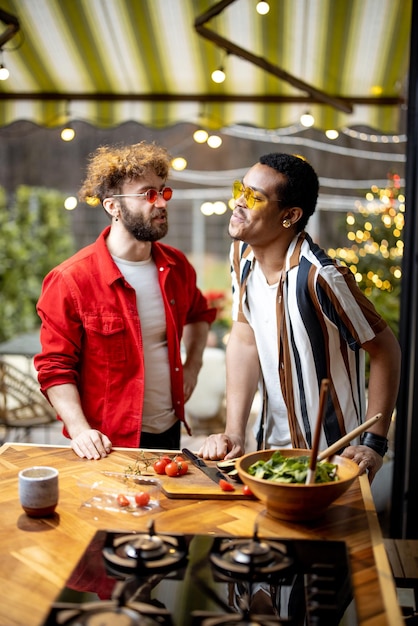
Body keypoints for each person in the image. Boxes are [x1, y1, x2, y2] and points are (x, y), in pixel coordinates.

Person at [199, 153, 401, 483]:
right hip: (269, 453)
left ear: (290, 215)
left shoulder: (322, 277)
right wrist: (234, 433)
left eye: (254, 197)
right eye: (241, 189)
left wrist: (374, 444)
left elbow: (386, 350)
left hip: (335, 463)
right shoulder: (241, 254)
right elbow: (244, 336)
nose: (238, 202)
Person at [34, 141, 216, 460]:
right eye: (148, 194)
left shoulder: (177, 266)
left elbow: (200, 314)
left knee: (164, 510)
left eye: (163, 191)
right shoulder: (71, 279)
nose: (161, 202)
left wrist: (193, 366)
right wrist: (80, 430)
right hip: (106, 441)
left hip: (169, 429)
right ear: (113, 207)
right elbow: (54, 367)